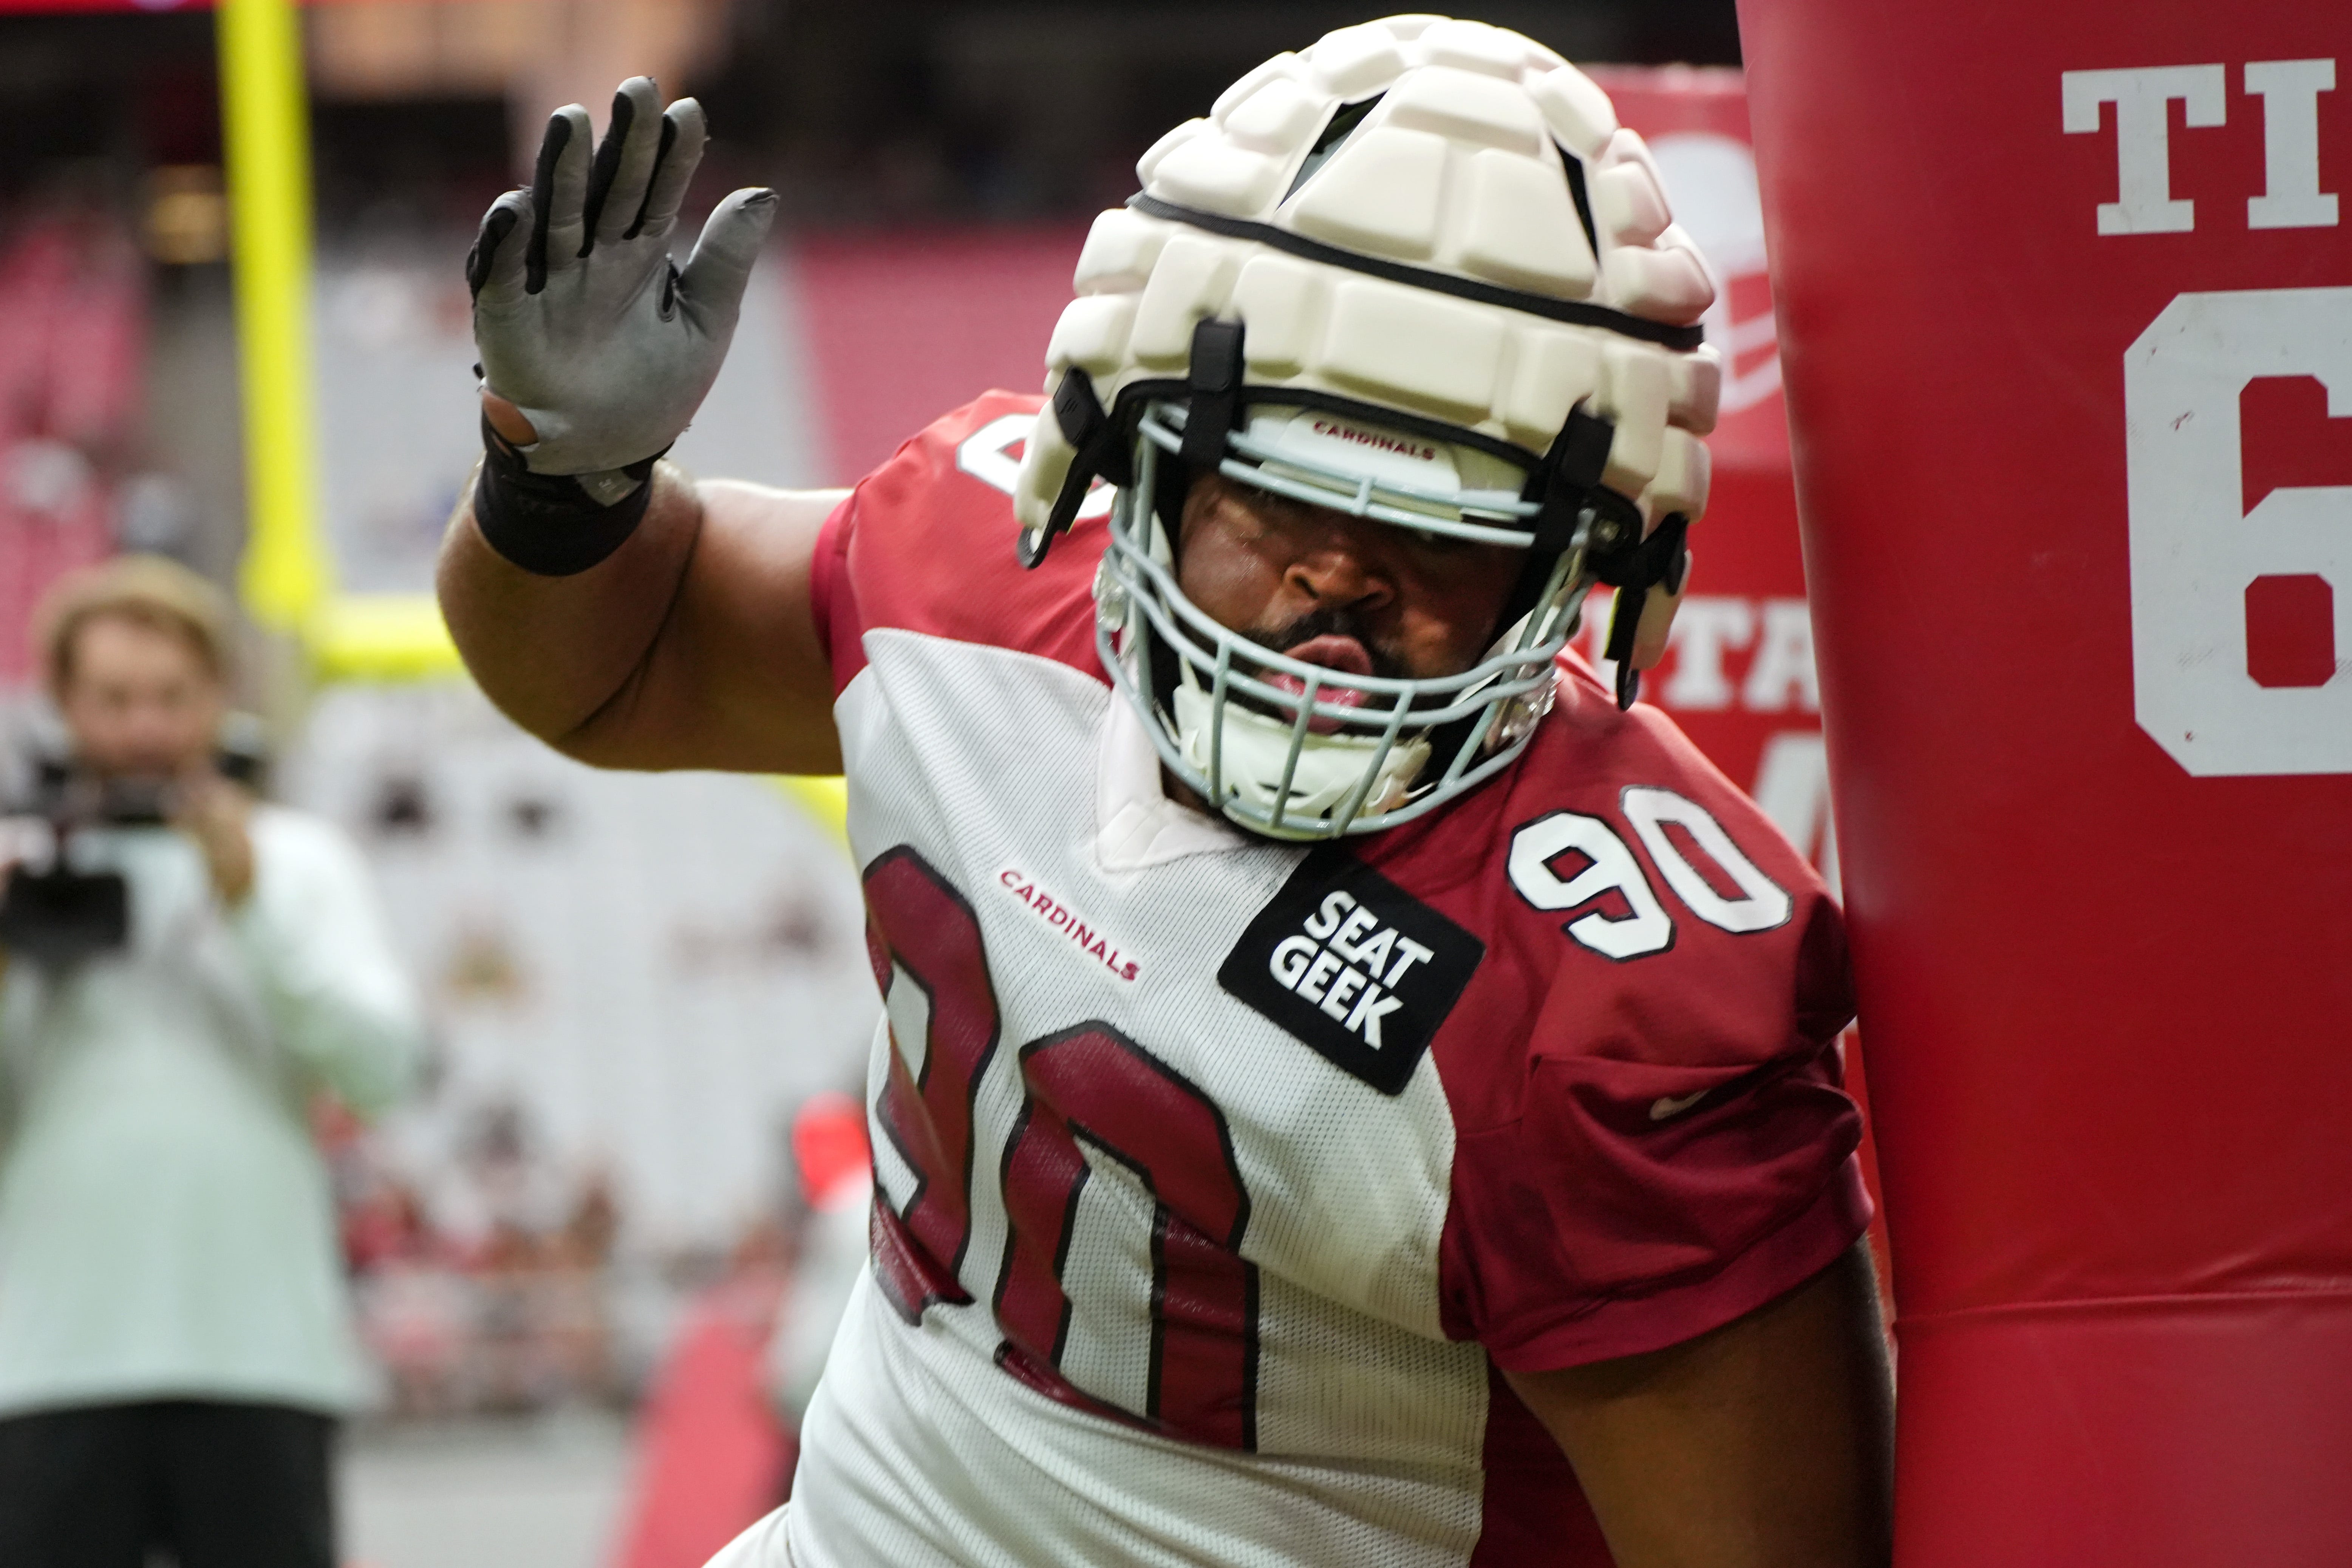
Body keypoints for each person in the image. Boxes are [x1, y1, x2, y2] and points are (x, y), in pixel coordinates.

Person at [440, 17, 1894, 1567]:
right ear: (1136, 448)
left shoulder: (1605, 974)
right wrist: (560, 478)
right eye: (1282, 491)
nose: (1340, 576)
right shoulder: (975, 579)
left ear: (1583, 559)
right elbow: (618, 665)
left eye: (1446, 530)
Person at [0, 557, 425, 1568]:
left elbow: (385, 1072)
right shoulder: (13, 871)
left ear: (217, 701)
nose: (143, 729)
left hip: (260, 1352)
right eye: (112, 700)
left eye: (169, 698)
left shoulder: (298, 862)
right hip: (50, 1360)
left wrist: (253, 907)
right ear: (60, 706)